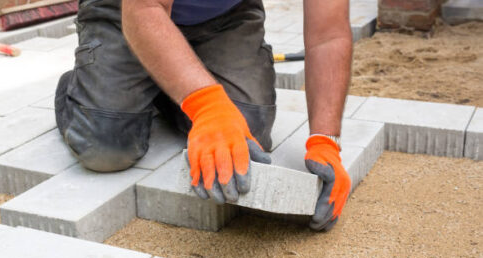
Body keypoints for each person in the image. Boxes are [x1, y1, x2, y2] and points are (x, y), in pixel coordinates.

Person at [55, 0, 352, 231]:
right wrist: (209, 106)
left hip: (225, 15)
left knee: (248, 133)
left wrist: (325, 140)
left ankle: (164, 80)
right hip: (125, 9)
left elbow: (329, 36)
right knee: (106, 147)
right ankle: (86, 89)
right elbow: (145, 8)